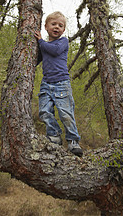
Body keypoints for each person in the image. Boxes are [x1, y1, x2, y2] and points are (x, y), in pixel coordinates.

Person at [34, 11, 83, 157]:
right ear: (46, 26)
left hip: (61, 83)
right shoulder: (44, 45)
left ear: (63, 30)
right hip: (46, 83)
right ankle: (54, 136)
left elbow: (54, 51)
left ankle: (73, 141)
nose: (57, 27)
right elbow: (37, 60)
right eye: (53, 24)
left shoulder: (62, 42)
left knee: (66, 113)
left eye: (60, 25)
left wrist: (41, 41)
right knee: (44, 110)